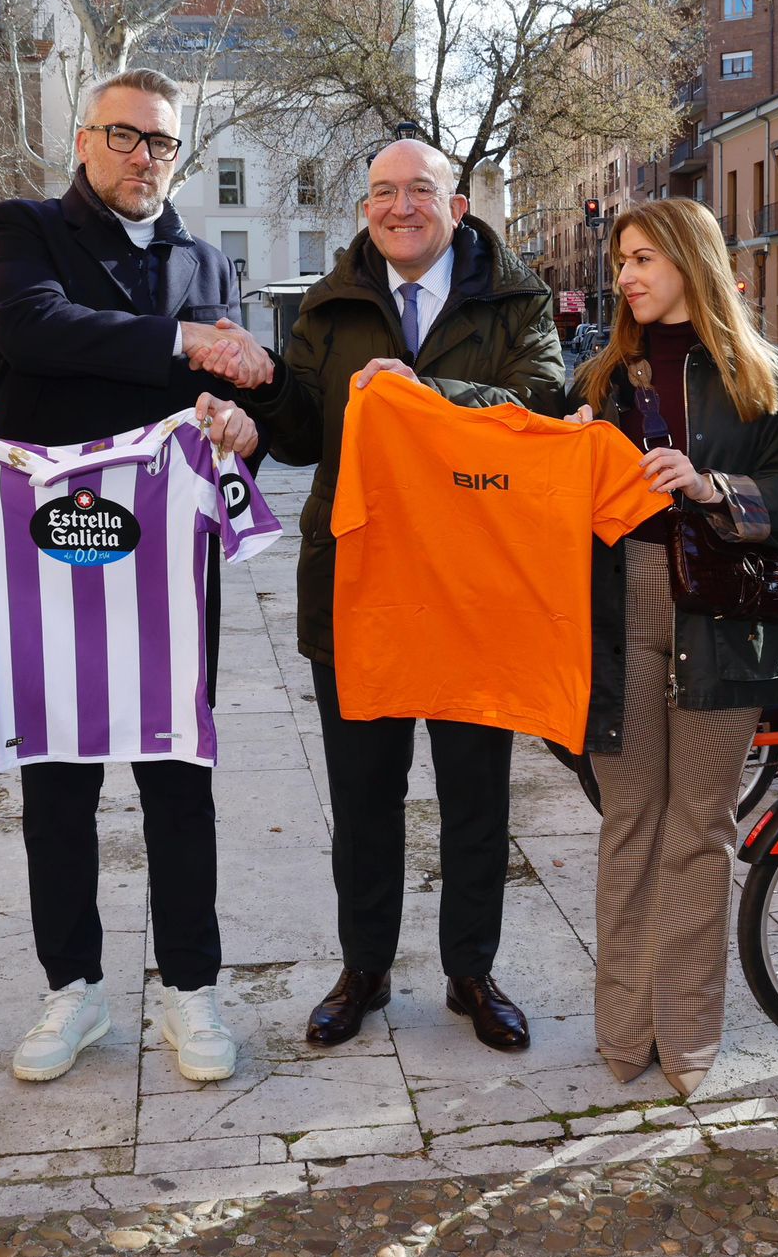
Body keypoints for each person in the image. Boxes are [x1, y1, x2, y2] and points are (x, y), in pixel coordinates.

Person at [0, 66, 267, 1087]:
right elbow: (32, 328)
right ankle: (71, 987)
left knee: (178, 784)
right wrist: (180, 344)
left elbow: (236, 397)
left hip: (164, 566)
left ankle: (190, 988)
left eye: (161, 142)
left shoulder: (201, 259)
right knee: (56, 789)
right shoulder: (24, 228)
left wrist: (241, 424)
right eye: (124, 136)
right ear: (84, 140)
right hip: (51, 559)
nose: (142, 157)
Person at [235, 138, 564, 1052]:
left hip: (472, 589)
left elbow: (537, 405)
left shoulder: (517, 296)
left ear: (457, 206)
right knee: (365, 798)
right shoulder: (329, 304)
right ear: (364, 209)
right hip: (360, 587)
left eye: (420, 190)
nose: (399, 206)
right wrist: (261, 390)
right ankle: (364, 969)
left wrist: (428, 394)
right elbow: (300, 437)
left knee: (475, 798)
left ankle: (471, 971)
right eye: (382, 192)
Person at [566, 199, 778, 1096]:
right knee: (630, 822)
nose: (625, 275)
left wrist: (712, 487)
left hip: (721, 622)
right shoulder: (597, 382)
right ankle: (624, 1030)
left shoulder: (758, 377)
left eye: (642, 257)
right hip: (619, 608)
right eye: (621, 261)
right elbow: (525, 452)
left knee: (699, 829)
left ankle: (687, 1032)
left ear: (689, 260)